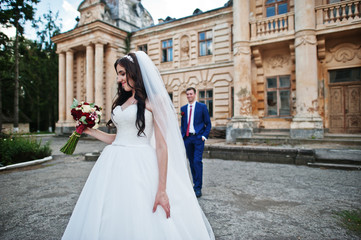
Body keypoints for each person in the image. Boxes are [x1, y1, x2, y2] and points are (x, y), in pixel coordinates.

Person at [62, 51, 215, 240]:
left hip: (140, 164)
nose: (119, 79)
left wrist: (162, 190)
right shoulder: (123, 100)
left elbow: (161, 146)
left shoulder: (154, 101)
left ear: (135, 72)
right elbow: (118, 139)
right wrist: (90, 131)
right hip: (112, 164)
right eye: (118, 74)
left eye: (122, 73)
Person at [181, 88, 211, 198]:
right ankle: (195, 184)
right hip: (188, 139)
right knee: (192, 163)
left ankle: (198, 187)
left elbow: (208, 123)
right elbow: (183, 124)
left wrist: (204, 136)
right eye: (187, 94)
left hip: (198, 138)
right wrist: (182, 137)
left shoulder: (202, 107)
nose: (189, 96)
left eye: (191, 94)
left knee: (197, 161)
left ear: (195, 94)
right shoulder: (183, 108)